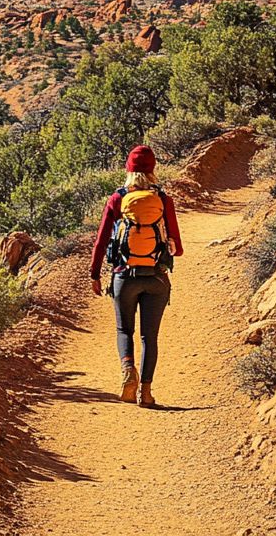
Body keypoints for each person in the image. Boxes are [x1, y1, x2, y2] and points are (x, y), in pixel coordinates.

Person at [89, 145, 183, 407]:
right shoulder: (163, 200)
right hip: (155, 278)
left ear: (128, 170)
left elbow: (101, 241)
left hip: (124, 277)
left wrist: (95, 274)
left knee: (124, 330)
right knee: (148, 337)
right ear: (153, 170)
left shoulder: (117, 199)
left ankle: (128, 371)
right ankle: (147, 392)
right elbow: (179, 248)